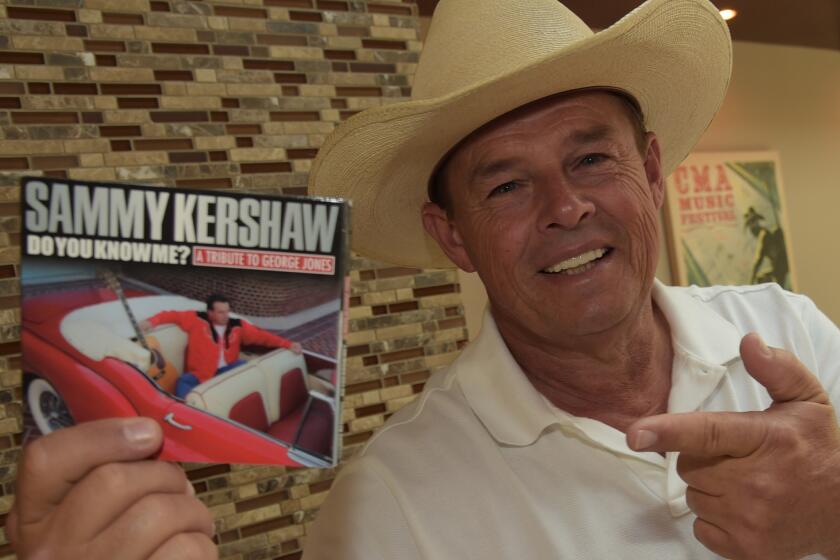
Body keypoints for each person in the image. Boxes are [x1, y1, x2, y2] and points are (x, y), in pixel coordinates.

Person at [6, 1, 840, 559]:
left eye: (592, 156)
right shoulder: (387, 512)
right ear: (454, 236)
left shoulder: (791, 333)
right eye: (507, 185)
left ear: (651, 169)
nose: (567, 205)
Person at [139, 294, 303, 398]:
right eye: (221, 312)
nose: (226, 315)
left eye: (227, 311)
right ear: (210, 313)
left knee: (247, 367)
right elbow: (171, 315)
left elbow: (262, 337)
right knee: (182, 382)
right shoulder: (196, 319)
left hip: (227, 370)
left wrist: (288, 344)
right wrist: (151, 322)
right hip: (199, 374)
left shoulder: (237, 325)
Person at [744, 206, 790, 286]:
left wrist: (751, 280)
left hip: (781, 266)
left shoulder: (764, 235)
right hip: (779, 267)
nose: (751, 230)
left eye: (752, 225)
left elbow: (758, 260)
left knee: (762, 279)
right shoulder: (765, 234)